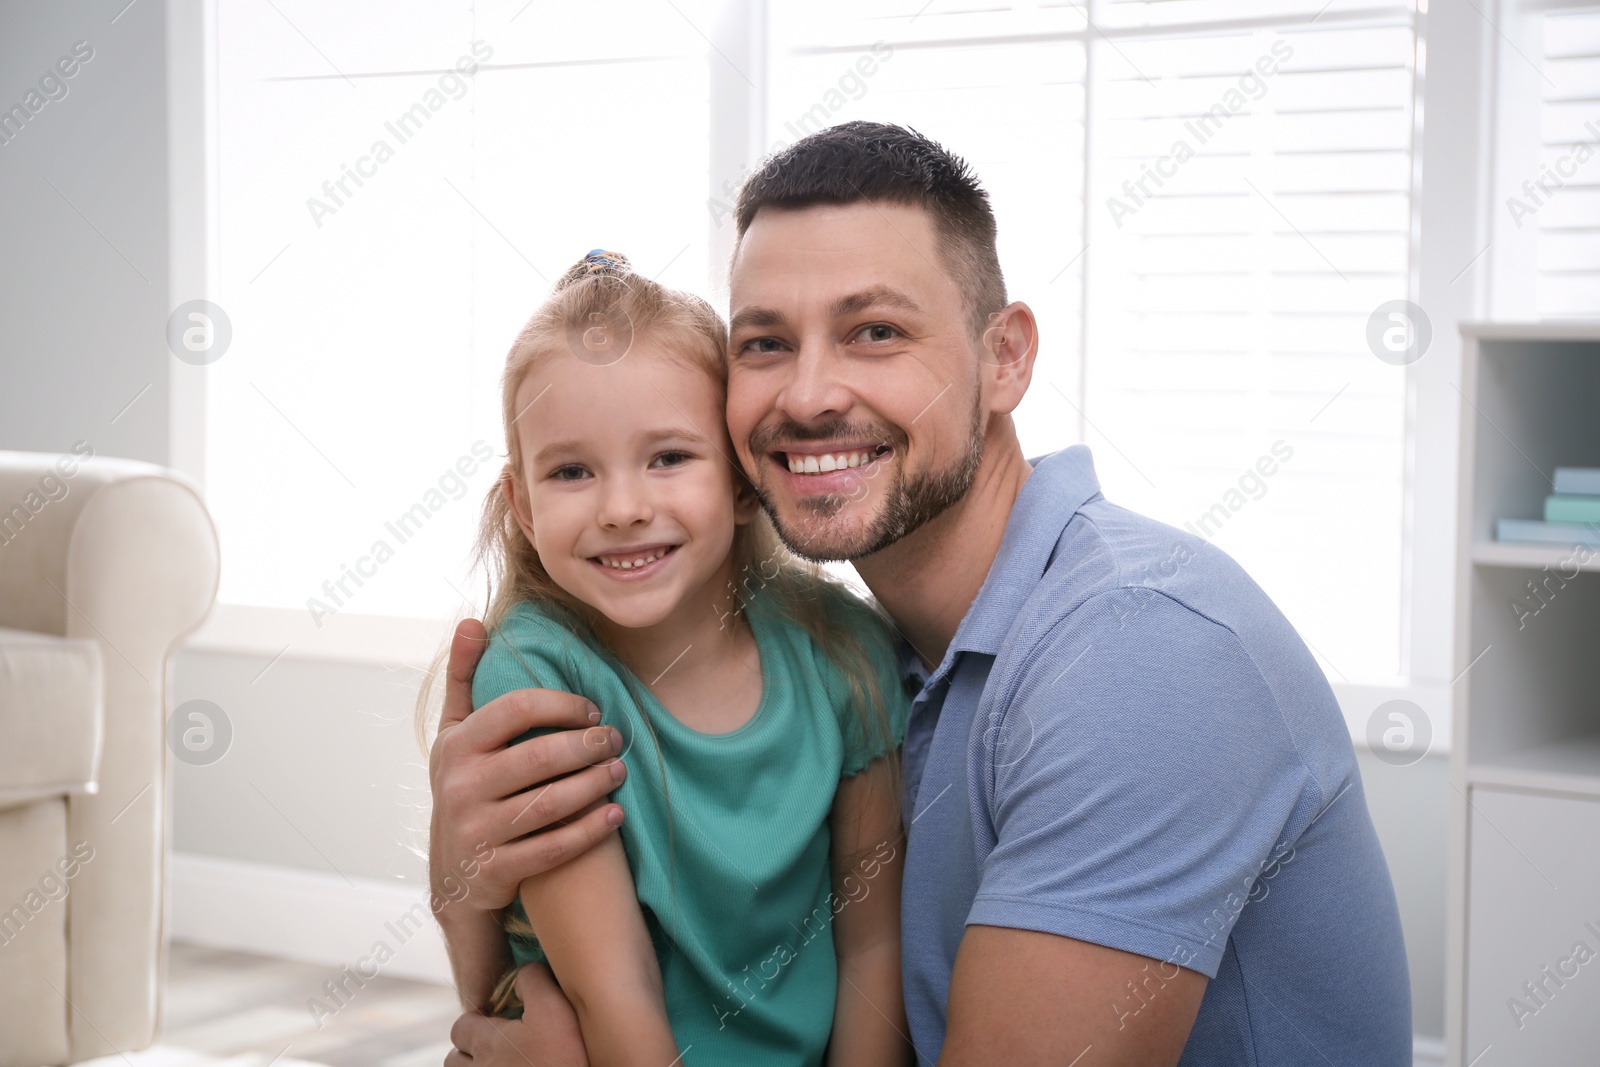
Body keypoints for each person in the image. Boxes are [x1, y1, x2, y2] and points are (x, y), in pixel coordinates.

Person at [433, 122, 1412, 1066]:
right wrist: (462, 885)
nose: (809, 393)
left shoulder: (1138, 650)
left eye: (874, 330)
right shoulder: (870, 648)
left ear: (1005, 357)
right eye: (765, 343)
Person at [427, 248, 913, 1066]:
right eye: (572, 470)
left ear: (741, 480)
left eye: (669, 457)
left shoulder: (848, 652)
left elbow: (871, 945)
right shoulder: (536, 674)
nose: (623, 508)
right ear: (523, 501)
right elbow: (611, 988)